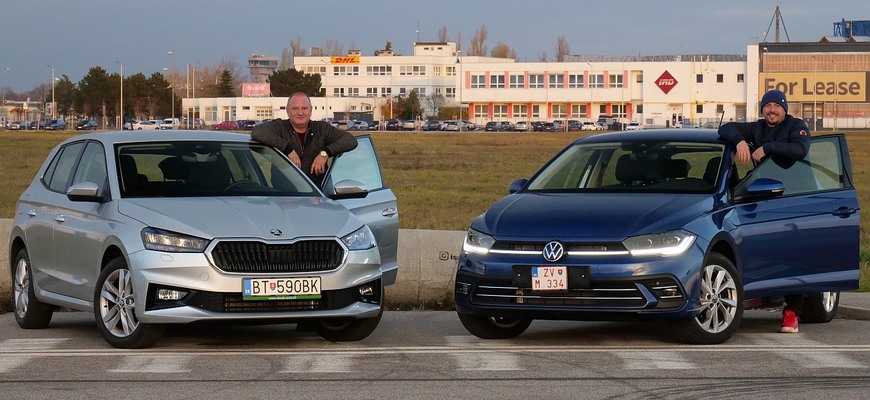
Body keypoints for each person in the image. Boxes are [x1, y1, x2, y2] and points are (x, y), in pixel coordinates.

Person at [718, 88, 811, 334]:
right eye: (767, 106)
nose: (771, 110)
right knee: (768, 251)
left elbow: (800, 150)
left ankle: (792, 312)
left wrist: (767, 148)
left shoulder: (796, 126)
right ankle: (757, 293)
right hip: (762, 197)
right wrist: (739, 141)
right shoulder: (756, 128)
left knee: (794, 254)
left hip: (793, 198)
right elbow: (725, 128)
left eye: (776, 106)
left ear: (784, 109)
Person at [251, 92, 358, 186]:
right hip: (285, 198)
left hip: (319, 196)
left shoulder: (322, 128)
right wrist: (287, 149)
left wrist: (324, 154)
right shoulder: (279, 127)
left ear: (311, 110)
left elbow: (350, 140)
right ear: (288, 111)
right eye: (295, 108)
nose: (300, 112)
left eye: (304, 108)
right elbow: (257, 132)